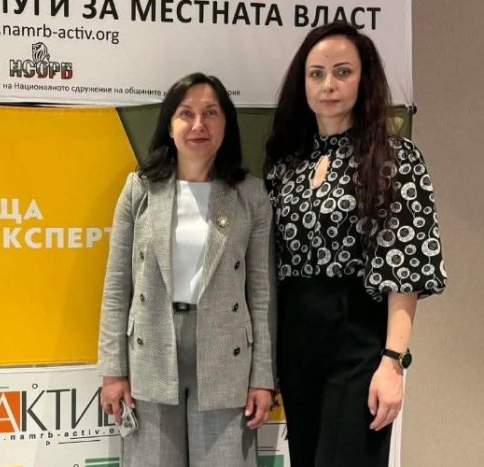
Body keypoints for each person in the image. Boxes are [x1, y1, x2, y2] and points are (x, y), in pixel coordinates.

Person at [264, 22, 448, 467]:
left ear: (364, 79)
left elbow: (405, 269)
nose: (328, 84)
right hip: (296, 335)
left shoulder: (395, 157)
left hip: (358, 336)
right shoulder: (286, 163)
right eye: (316, 74)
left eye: (342, 71)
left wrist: (392, 361)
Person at [97, 72, 276, 467]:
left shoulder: (251, 196)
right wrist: (113, 372)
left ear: (226, 124)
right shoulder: (139, 190)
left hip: (226, 356)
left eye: (210, 113)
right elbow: (117, 287)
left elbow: (262, 294)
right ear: (169, 125)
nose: (198, 125)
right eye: (186, 113)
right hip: (151, 349)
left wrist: (263, 378)